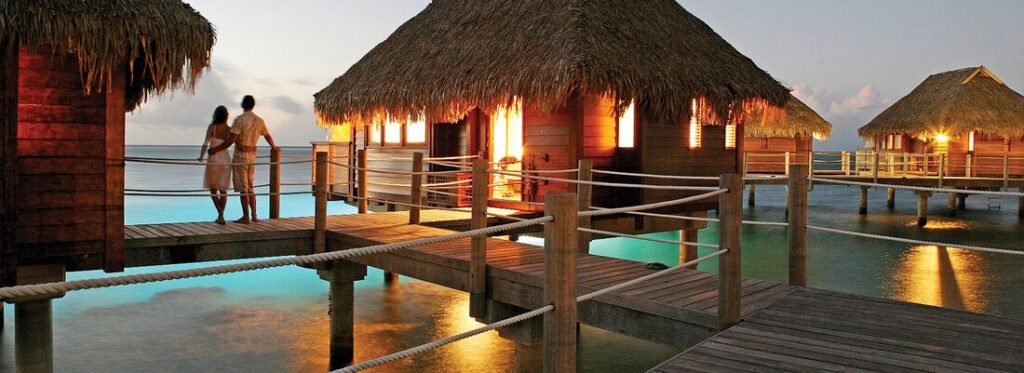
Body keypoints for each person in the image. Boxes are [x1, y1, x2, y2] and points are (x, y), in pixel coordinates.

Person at [208, 95, 280, 224]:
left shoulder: (239, 120)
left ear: (243, 105)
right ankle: (254, 215)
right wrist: (274, 147)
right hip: (252, 156)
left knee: (243, 188)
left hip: (241, 157)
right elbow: (267, 135)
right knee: (251, 186)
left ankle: (245, 216)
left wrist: (215, 149)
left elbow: (231, 140)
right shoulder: (259, 120)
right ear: (253, 105)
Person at [198, 106, 232, 224]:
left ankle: (220, 214)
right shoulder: (229, 129)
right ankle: (221, 216)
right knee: (223, 190)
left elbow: (206, 143)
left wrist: (201, 156)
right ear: (226, 116)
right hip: (226, 161)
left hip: (213, 160)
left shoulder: (212, 128)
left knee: (213, 189)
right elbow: (231, 142)